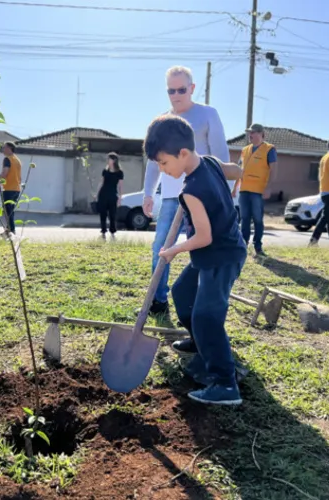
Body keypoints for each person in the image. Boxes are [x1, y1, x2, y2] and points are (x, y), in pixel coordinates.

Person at [145, 115, 246, 406]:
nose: (163, 170)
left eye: (164, 164)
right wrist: (238, 173)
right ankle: (200, 343)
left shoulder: (191, 192)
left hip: (221, 255)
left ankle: (225, 383)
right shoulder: (211, 162)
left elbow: (203, 236)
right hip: (213, 251)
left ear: (184, 154)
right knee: (181, 292)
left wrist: (173, 249)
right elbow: (235, 170)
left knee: (207, 316)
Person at [141, 65, 230, 319]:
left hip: (203, 195)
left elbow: (220, 156)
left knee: (203, 247)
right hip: (171, 198)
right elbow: (152, 161)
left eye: (181, 89)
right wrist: (148, 193)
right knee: (160, 246)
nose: (176, 95)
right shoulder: (162, 122)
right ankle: (158, 301)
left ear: (191, 88)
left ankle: (203, 305)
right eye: (171, 90)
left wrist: (223, 192)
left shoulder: (208, 114)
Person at [233, 123, 277, 256]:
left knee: (257, 219)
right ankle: (243, 244)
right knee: (244, 218)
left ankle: (258, 246)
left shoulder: (269, 149)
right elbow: (239, 170)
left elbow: (273, 170)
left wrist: (269, 187)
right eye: (249, 133)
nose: (250, 135)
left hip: (258, 190)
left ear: (260, 134)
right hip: (244, 189)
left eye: (253, 132)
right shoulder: (245, 150)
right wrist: (235, 187)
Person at [96, 152, 124, 239]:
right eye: (107, 159)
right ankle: (103, 231)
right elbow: (101, 182)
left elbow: (120, 185)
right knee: (103, 213)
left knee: (112, 214)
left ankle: (112, 231)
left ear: (114, 160)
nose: (107, 160)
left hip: (113, 195)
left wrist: (120, 197)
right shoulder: (105, 171)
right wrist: (97, 194)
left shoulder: (119, 172)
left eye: (109, 159)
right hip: (103, 194)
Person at [0, 141, 22, 234]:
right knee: (10, 211)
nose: (3, 149)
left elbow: (4, 173)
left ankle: (12, 231)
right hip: (16, 189)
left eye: (4, 147)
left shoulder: (7, 159)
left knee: (8, 212)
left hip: (8, 189)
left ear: (9, 148)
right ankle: (8, 230)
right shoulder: (17, 160)